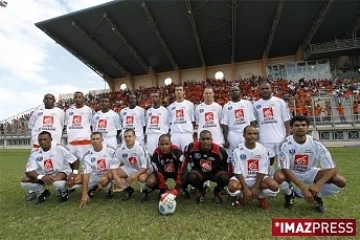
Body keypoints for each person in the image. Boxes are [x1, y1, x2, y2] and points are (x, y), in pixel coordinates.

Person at [274, 115, 346, 213]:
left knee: (340, 180)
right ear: (291, 128)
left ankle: (317, 197)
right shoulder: (285, 144)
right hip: (291, 171)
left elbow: (332, 168)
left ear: (307, 127)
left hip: (310, 171)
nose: (300, 127)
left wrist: (318, 185)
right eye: (297, 125)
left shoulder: (316, 143)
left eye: (303, 125)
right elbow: (285, 168)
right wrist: (303, 188)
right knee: (278, 176)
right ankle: (290, 193)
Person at [227, 126, 279, 210]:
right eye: (249, 134)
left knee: (274, 186)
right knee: (233, 187)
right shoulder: (237, 151)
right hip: (242, 179)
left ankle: (261, 198)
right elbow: (237, 171)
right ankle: (240, 197)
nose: (252, 136)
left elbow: (263, 170)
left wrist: (256, 187)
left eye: (254, 134)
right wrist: (246, 188)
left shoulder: (263, 149)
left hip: (258, 179)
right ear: (244, 135)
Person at [20, 131, 79, 204]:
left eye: (45, 139)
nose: (42, 141)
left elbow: (74, 160)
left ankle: (64, 191)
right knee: (25, 181)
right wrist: (42, 177)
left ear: (51, 139)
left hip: (61, 172)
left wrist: (74, 173)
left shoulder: (59, 149)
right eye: (40, 140)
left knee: (57, 181)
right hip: (44, 175)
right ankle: (44, 192)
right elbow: (28, 171)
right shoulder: (35, 154)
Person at [26, 93, 65, 200]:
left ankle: (59, 188)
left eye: (50, 99)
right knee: (35, 166)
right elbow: (31, 126)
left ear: (54, 100)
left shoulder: (60, 112)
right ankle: (33, 190)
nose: (48, 100)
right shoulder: (37, 112)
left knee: (57, 165)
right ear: (43, 101)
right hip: (37, 144)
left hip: (54, 144)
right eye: (46, 99)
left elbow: (62, 125)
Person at [101, 129, 153, 201]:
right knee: (111, 175)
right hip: (130, 167)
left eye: (129, 136)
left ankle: (145, 190)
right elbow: (114, 166)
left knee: (142, 178)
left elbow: (145, 167)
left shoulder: (140, 148)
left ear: (134, 137)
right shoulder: (120, 149)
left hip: (142, 169)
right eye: (125, 137)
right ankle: (128, 189)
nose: (127, 138)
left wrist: (133, 176)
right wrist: (116, 177)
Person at [67, 132, 116, 207]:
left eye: (97, 139)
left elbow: (119, 163)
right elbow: (86, 174)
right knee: (73, 182)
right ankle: (93, 187)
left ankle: (109, 189)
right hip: (94, 176)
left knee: (104, 181)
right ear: (91, 140)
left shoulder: (110, 151)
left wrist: (110, 172)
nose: (95, 141)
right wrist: (84, 194)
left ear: (102, 139)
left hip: (107, 175)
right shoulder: (87, 155)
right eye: (93, 139)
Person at [253, 82, 291, 176]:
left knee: (283, 162)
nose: (265, 90)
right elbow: (253, 122)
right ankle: (271, 180)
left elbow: (286, 120)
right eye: (263, 89)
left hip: (281, 138)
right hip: (265, 139)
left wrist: (288, 135)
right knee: (268, 162)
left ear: (271, 89)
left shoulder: (279, 102)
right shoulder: (256, 105)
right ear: (259, 91)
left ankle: (286, 183)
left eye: (267, 88)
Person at [184, 130, 230, 204]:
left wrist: (227, 181)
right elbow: (185, 158)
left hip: (214, 172)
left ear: (211, 140)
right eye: (203, 139)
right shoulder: (192, 147)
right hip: (199, 171)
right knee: (191, 177)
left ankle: (217, 191)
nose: (205, 141)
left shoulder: (219, 150)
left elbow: (226, 166)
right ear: (199, 140)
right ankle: (201, 191)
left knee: (225, 177)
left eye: (208, 139)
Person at [195, 86, 224, 190]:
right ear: (203, 95)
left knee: (219, 161)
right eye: (206, 93)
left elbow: (221, 122)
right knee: (204, 159)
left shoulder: (218, 107)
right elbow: (198, 123)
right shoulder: (198, 108)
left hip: (217, 137)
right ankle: (206, 184)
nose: (208, 95)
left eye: (209, 93)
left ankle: (221, 184)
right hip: (204, 139)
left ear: (213, 94)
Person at [146, 134, 189, 200]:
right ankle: (163, 189)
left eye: (167, 144)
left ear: (171, 144)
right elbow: (159, 172)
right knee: (150, 181)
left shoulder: (177, 152)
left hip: (175, 172)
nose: (164, 147)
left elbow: (182, 169)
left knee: (185, 176)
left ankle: (183, 188)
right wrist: (162, 190)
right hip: (163, 173)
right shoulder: (156, 154)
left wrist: (175, 191)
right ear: (158, 145)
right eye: (162, 144)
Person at [221, 86, 256, 151]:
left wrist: (252, 135)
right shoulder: (226, 106)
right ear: (229, 93)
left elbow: (252, 121)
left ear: (240, 92)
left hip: (246, 134)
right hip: (232, 135)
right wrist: (225, 139)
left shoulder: (247, 104)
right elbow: (224, 125)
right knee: (233, 156)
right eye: (232, 90)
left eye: (236, 90)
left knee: (248, 154)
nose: (234, 91)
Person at [65, 91, 94, 160]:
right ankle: (75, 171)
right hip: (72, 141)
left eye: (79, 97)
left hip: (85, 141)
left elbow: (93, 125)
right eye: (76, 97)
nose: (77, 99)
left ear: (83, 99)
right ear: (73, 99)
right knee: (72, 163)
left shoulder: (89, 110)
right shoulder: (68, 111)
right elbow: (67, 124)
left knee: (86, 162)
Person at [167, 86, 195, 150]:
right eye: (177, 90)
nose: (179, 91)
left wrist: (191, 131)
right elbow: (170, 122)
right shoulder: (170, 107)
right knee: (175, 154)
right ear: (175, 92)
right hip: (175, 134)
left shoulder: (190, 105)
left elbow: (192, 120)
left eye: (180, 90)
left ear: (183, 92)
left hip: (186, 133)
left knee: (188, 153)